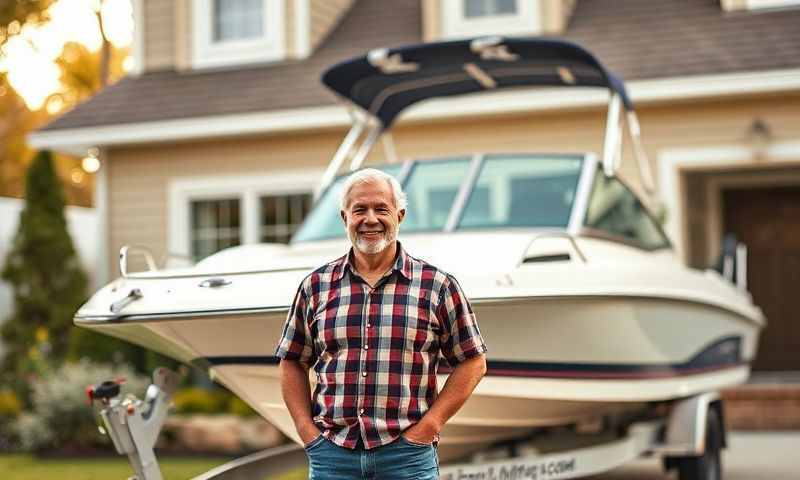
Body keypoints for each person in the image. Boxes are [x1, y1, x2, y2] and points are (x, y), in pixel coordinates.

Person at [276, 168, 487, 479]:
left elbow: (473, 361)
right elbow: (292, 361)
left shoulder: (437, 286)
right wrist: (307, 433)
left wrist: (430, 426)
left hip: (408, 456)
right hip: (332, 456)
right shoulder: (316, 286)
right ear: (344, 218)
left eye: (381, 209)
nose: (370, 219)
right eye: (359, 209)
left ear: (399, 216)